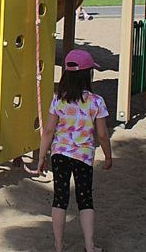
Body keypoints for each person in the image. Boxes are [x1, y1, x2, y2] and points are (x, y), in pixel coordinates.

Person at [38, 49, 112, 252]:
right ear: (88, 74)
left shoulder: (58, 100)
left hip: (60, 154)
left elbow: (49, 131)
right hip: (83, 156)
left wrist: (42, 156)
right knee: (85, 199)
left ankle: (58, 245)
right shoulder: (96, 101)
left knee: (60, 199)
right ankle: (89, 246)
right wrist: (108, 156)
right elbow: (102, 134)